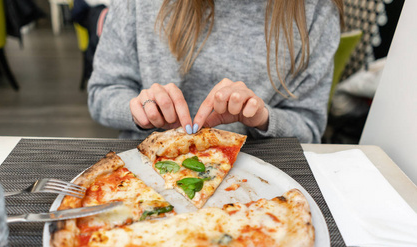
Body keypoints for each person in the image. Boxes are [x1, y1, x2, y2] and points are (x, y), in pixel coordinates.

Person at [88, 0, 343, 143]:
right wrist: (141, 109)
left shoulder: (317, 10)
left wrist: (263, 119)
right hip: (141, 167)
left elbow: (309, 127)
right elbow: (102, 93)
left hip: (257, 179)